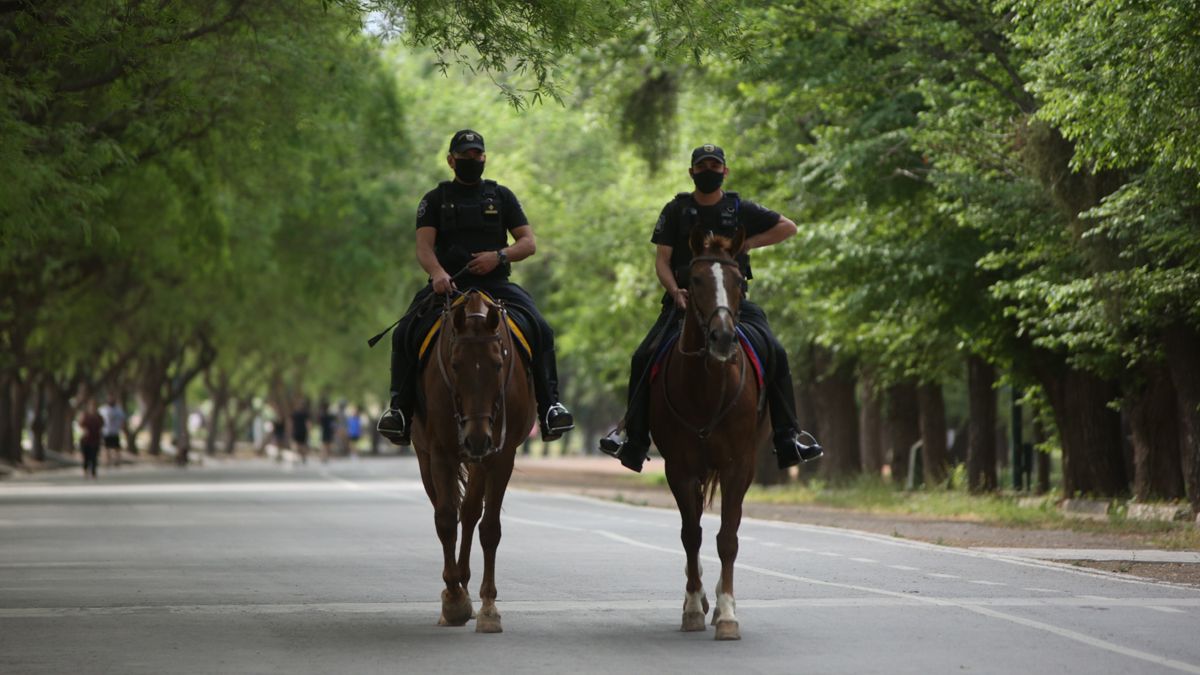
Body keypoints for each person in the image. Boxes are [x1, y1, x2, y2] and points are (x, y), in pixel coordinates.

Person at [600, 144, 824, 472]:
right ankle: (634, 439)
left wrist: (748, 243)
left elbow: (788, 227)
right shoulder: (675, 210)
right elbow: (662, 260)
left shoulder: (740, 208)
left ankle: (787, 436)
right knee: (642, 357)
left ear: (725, 171)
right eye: (702, 166)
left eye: (714, 166)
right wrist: (674, 290)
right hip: (684, 305)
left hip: (734, 305)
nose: (709, 171)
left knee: (776, 350)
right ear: (692, 172)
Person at [377, 129, 574, 446]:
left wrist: (499, 256)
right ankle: (399, 412)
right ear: (451, 160)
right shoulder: (434, 200)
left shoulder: (502, 196)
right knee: (404, 333)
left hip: (495, 286)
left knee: (542, 329)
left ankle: (550, 406)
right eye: (465, 155)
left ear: (484, 158)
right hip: (447, 287)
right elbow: (424, 248)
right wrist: (438, 273)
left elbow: (528, 243)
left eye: (477, 154)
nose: (472, 159)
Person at [77, 400, 104, 479]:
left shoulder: (99, 417)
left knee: (94, 457)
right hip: (86, 440)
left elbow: (102, 426)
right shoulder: (85, 415)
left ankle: (93, 473)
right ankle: (85, 471)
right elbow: (80, 424)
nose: (92, 408)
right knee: (86, 457)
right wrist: (84, 430)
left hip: (95, 439)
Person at [98, 395, 126, 467]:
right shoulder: (102, 409)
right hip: (106, 431)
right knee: (106, 448)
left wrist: (122, 428)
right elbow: (99, 420)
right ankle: (107, 462)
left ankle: (117, 462)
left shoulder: (118, 410)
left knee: (117, 448)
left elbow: (122, 420)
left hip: (115, 431)